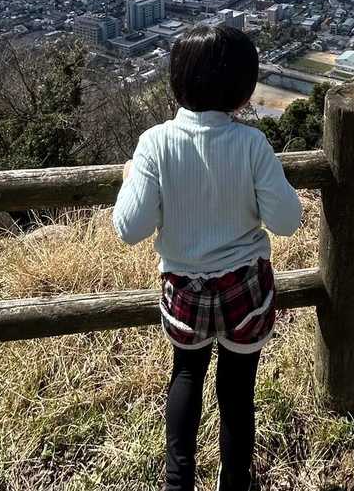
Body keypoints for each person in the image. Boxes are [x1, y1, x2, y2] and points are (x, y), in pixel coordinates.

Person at [112, 24, 303, 491]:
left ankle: (178, 481)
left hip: (185, 290)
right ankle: (235, 481)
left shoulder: (155, 143)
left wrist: (130, 176)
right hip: (245, 289)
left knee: (186, 374)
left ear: (178, 80)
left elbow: (129, 228)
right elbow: (286, 221)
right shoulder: (252, 145)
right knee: (238, 391)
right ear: (243, 90)